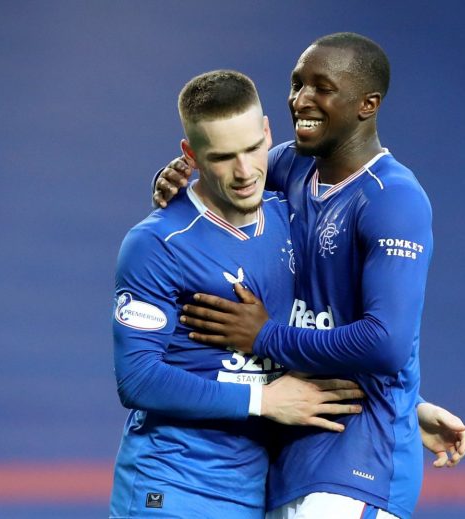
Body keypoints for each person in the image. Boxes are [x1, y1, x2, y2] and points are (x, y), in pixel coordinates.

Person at [154, 33, 465, 519]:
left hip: (357, 467)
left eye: (322, 87)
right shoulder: (289, 167)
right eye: (296, 83)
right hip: (292, 457)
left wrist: (264, 336)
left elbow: (385, 343)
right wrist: (180, 176)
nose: (301, 100)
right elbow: (223, 186)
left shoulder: (393, 199)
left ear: (368, 104)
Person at [111, 69, 367, 519]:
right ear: (191, 155)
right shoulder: (157, 243)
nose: (246, 172)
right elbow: (138, 379)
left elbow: (316, 332)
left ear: (268, 132)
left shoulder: (290, 215)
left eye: (253, 148)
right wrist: (263, 401)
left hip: (253, 494)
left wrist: (407, 410)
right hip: (171, 488)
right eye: (224, 157)